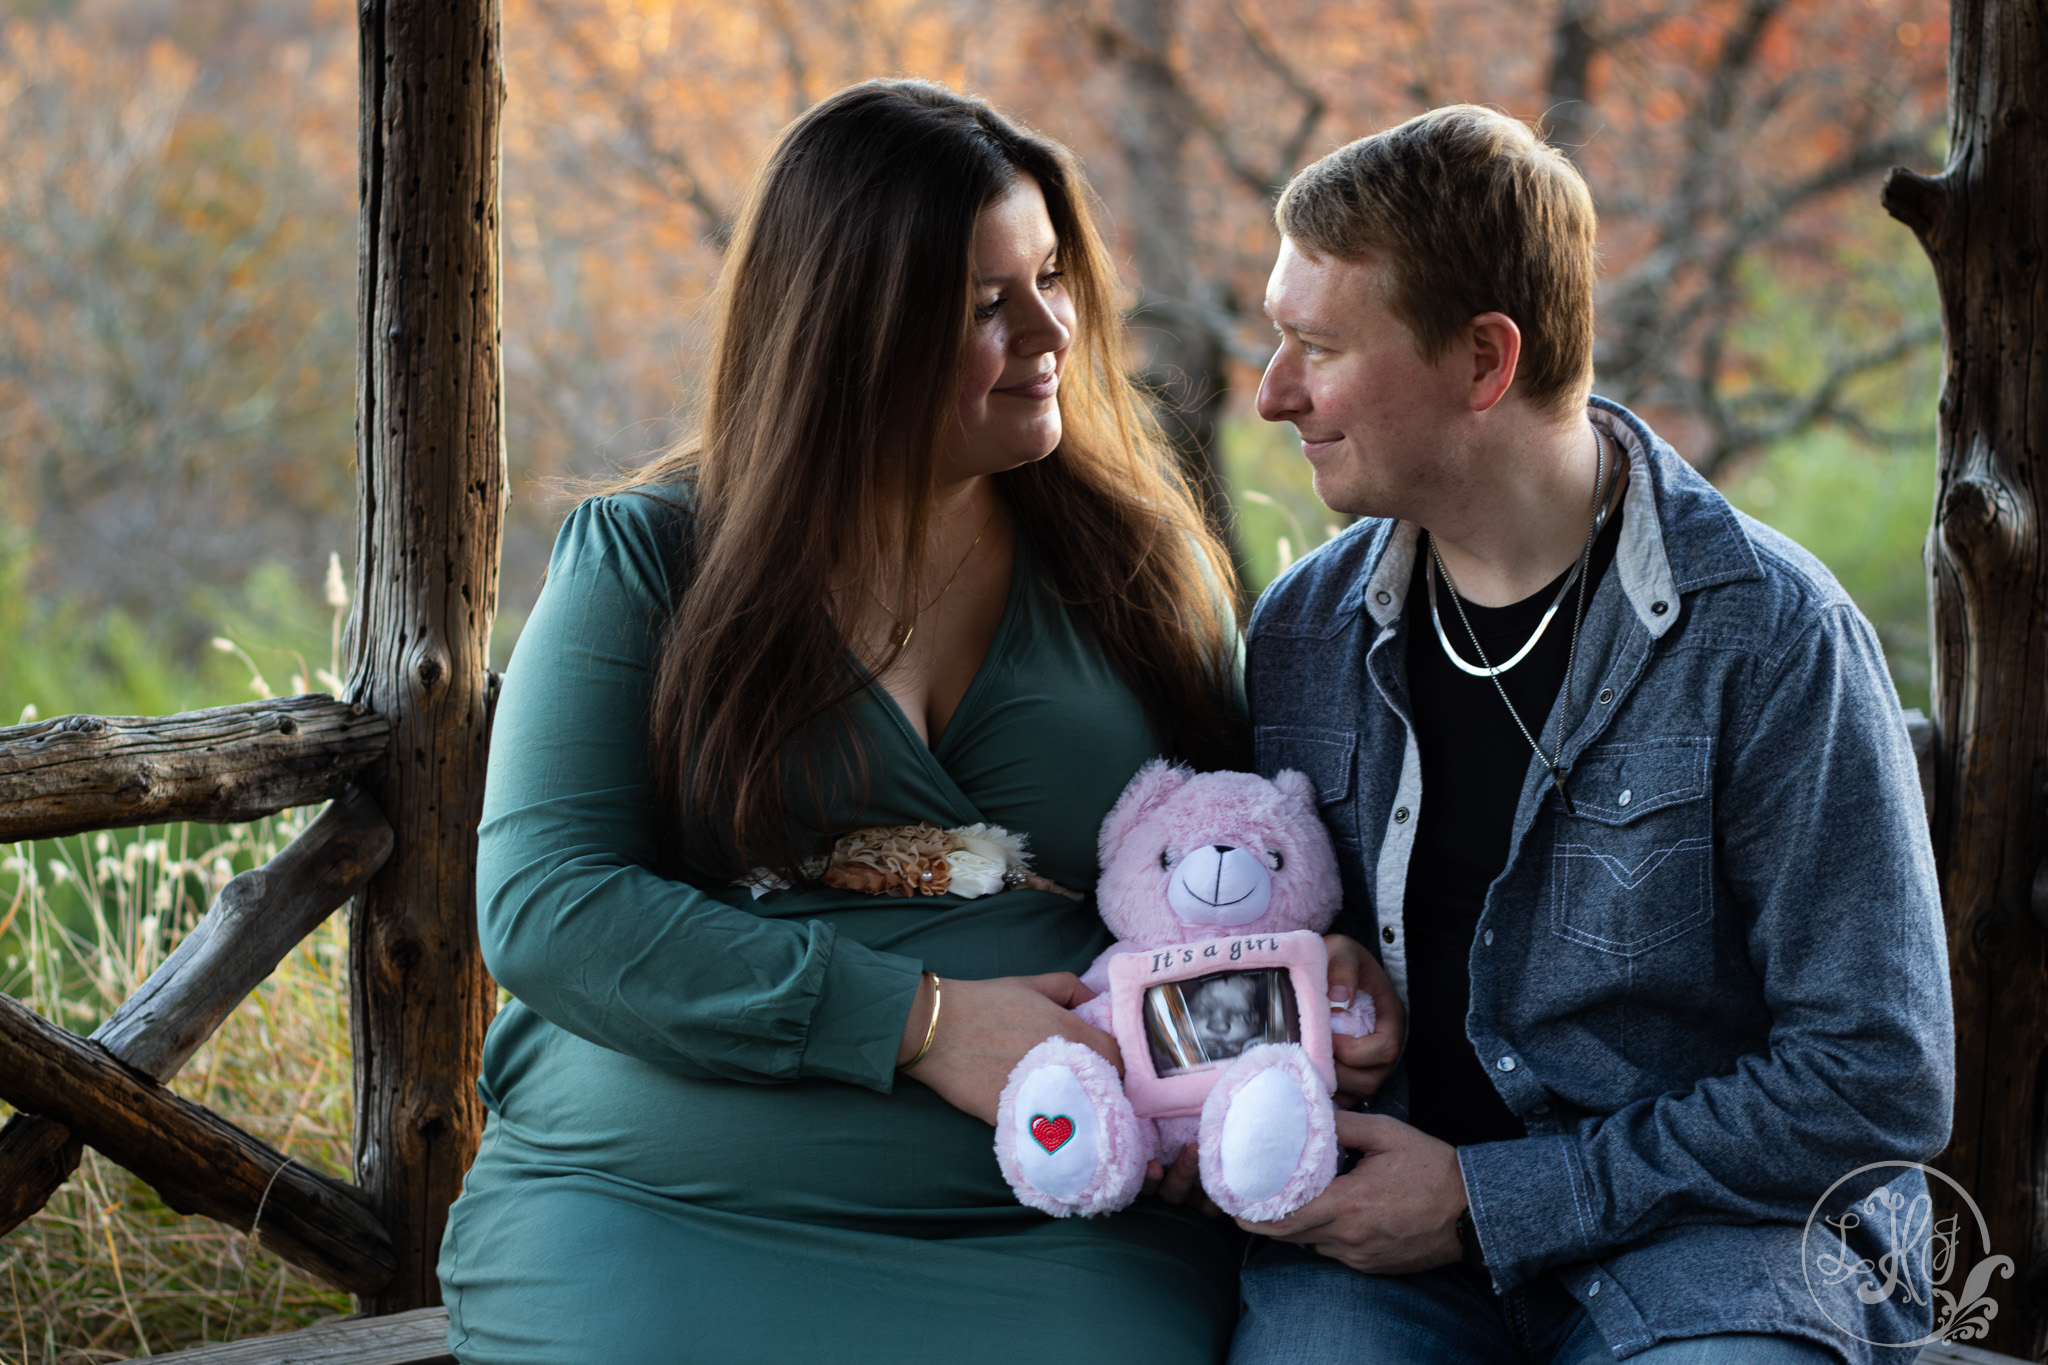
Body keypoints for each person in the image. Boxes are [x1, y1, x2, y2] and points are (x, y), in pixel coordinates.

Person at [435, 80, 1396, 1364]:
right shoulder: (649, 560)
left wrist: (1308, 974)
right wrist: (920, 1023)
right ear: (848, 330)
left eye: (1050, 278)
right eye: (985, 305)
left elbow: (1236, 861)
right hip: (652, 1206)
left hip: (1049, 1224)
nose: (1049, 331)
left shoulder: (1134, 570)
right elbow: (548, 906)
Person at [1232, 106, 1953, 1364]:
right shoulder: (1303, 630)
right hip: (1381, 1249)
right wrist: (1309, 984)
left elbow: (1873, 1075)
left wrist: (1490, 1200)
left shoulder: (1770, 637)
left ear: (1483, 361)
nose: (1269, 393)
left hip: (1712, 1247)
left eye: (1317, 347)